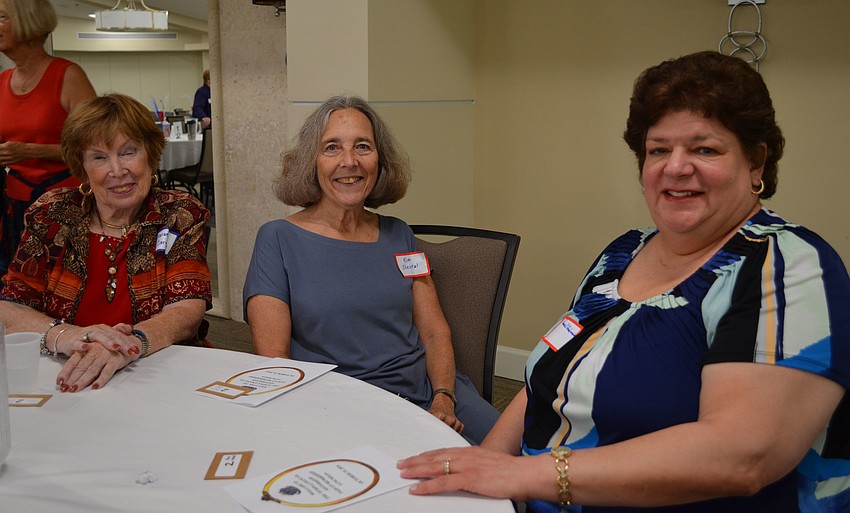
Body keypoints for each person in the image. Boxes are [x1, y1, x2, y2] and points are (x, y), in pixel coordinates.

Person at [398, 51, 850, 512]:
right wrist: (480, 467)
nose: (675, 167)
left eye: (704, 148)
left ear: (755, 163)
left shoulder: (786, 266)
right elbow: (550, 374)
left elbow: (743, 455)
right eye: (658, 150)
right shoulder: (623, 253)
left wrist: (521, 475)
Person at [243, 95, 500, 444]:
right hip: (348, 404)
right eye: (332, 148)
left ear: (380, 160)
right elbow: (276, 360)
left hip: (430, 388)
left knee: (522, 454)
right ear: (311, 161)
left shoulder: (399, 233)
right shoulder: (277, 239)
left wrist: (444, 396)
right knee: (452, 484)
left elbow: (435, 332)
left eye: (362, 146)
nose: (349, 162)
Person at [0, 93, 212, 393]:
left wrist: (125, 344)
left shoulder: (178, 215)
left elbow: (187, 310)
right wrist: (67, 335)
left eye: (128, 152)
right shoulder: (52, 215)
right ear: (83, 166)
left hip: (158, 375)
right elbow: (10, 308)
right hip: (64, 376)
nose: (117, 170)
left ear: (150, 154)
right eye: (99, 157)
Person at [0, 0, 96, 275]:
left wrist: (30, 151)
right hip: (15, 207)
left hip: (64, 205)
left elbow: (96, 149)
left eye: (2, 17)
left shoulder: (67, 76)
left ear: (27, 23)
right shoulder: (3, 81)